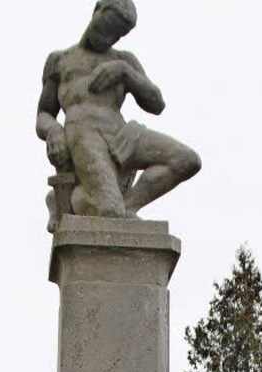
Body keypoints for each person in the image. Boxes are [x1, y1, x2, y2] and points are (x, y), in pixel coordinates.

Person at [36, 0, 200, 228]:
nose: (109, 38)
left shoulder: (124, 61)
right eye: (107, 27)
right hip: (82, 131)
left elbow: (156, 103)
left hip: (120, 131)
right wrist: (54, 129)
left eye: (117, 34)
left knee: (186, 160)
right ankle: (76, 200)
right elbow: (44, 113)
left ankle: (128, 206)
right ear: (97, 11)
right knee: (108, 211)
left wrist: (126, 74)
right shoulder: (60, 60)